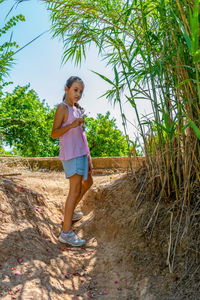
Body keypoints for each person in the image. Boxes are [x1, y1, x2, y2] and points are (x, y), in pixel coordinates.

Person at [51, 76, 93, 246]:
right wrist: (71, 125)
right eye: (75, 90)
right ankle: (66, 233)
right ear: (66, 89)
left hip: (82, 154)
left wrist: (89, 157)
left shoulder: (77, 109)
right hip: (72, 154)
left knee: (88, 182)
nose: (78, 94)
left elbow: (82, 136)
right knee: (74, 190)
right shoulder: (63, 108)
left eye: (81, 91)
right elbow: (54, 133)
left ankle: (70, 213)